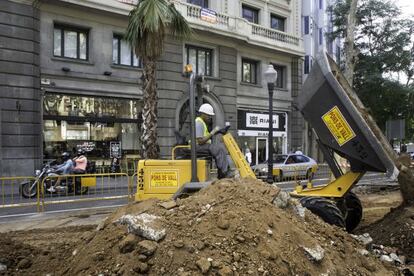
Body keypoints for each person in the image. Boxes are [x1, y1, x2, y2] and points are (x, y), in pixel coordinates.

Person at [195, 103, 232, 179]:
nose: (210, 117)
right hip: (198, 146)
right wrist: (213, 132)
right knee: (218, 148)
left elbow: (206, 136)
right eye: (208, 115)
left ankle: (222, 172)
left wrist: (219, 131)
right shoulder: (199, 123)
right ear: (203, 114)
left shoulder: (202, 123)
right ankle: (224, 172)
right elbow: (200, 141)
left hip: (203, 146)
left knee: (219, 147)